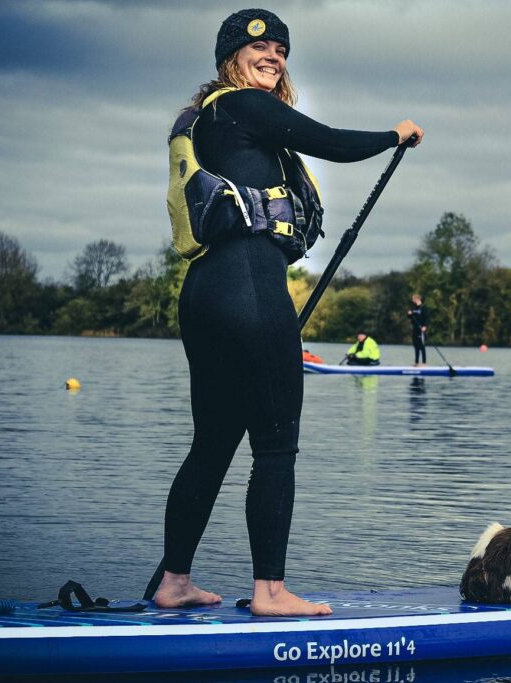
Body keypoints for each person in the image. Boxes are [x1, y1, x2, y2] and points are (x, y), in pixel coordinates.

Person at [154, 8, 424, 617]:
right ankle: (270, 593)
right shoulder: (241, 104)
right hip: (250, 284)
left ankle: (174, 581)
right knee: (275, 444)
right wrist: (393, 135)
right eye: (258, 49)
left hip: (205, 292)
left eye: (280, 49)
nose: (272, 57)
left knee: (213, 442)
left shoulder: (208, 119)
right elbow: (328, 142)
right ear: (230, 59)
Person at [407, 293, 428, 366]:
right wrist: (409, 314)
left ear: (417, 299)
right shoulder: (414, 308)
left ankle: (424, 363)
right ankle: (416, 362)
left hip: (421, 329)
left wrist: (425, 326)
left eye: (413, 299)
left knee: (421, 346)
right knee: (416, 345)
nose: (412, 300)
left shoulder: (423, 308)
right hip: (415, 328)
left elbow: (426, 318)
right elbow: (410, 317)